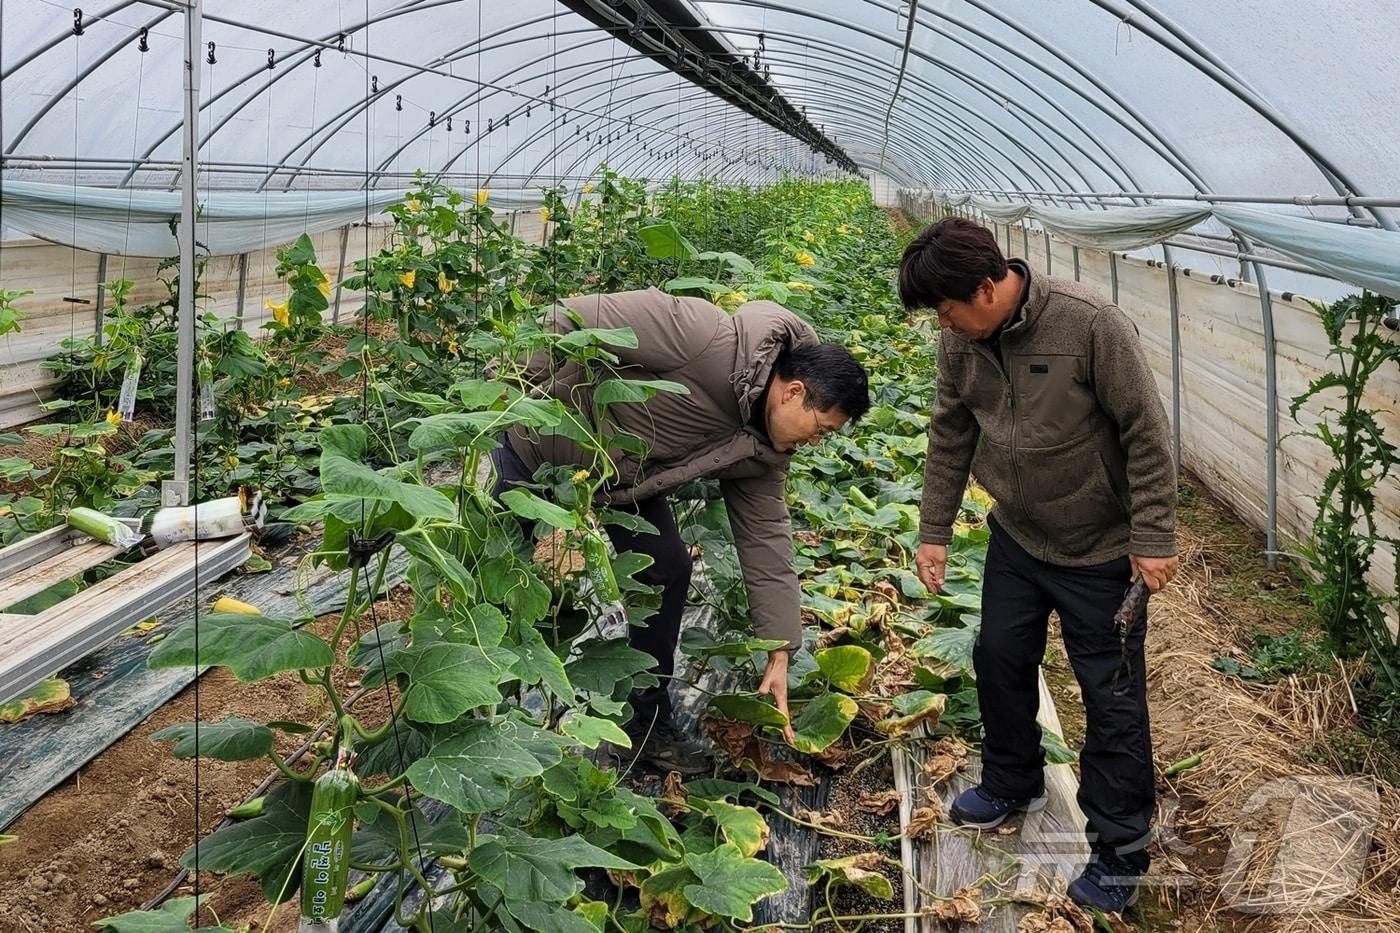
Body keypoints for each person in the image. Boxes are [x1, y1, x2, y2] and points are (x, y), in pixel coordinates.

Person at [899, 217, 1179, 913]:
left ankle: (1119, 849)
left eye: (947, 306)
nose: (943, 321)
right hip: (1017, 536)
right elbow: (951, 429)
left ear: (989, 286)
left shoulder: (1089, 325)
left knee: (1109, 697)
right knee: (998, 654)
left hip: (1100, 548)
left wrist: (1154, 533)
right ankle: (1011, 779)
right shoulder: (960, 341)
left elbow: (1146, 430)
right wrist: (934, 529)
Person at [494, 286, 870, 774]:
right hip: (535, 450)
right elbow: (572, 317)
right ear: (793, 392)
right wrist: (526, 399)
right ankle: (479, 717)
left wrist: (780, 650)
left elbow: (767, 541)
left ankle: (642, 728)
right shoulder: (702, 335)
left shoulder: (765, 451)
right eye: (820, 429)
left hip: (620, 483)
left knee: (665, 567)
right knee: (500, 577)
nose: (815, 441)